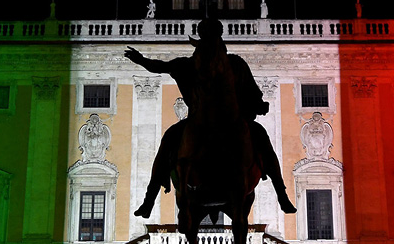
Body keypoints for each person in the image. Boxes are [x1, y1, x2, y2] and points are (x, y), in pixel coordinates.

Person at [124, 18, 297, 218]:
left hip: (227, 120)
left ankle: (281, 194)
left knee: (262, 140)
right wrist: (141, 60)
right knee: (169, 141)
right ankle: (149, 200)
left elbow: (252, 91)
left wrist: (259, 104)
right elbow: (160, 66)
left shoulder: (234, 64)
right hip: (201, 120)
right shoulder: (194, 64)